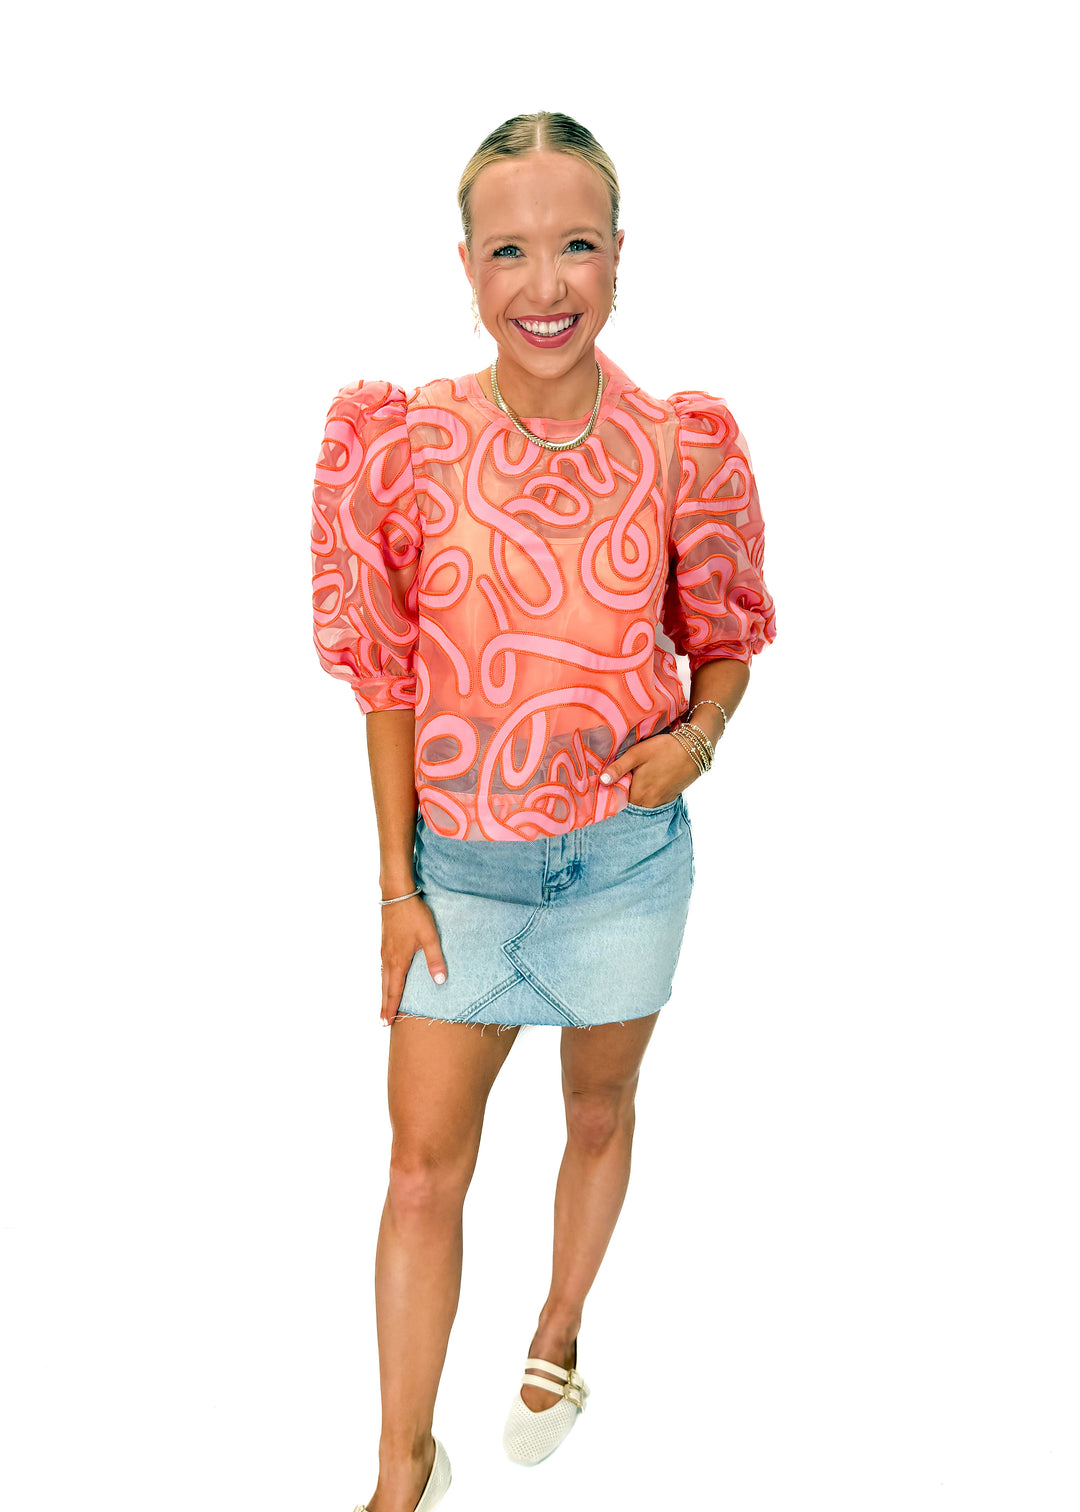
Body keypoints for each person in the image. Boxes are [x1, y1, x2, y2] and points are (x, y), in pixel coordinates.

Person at [310, 110, 777, 1512]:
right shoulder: (404, 445)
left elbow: (726, 635)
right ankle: (402, 1466)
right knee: (418, 1173)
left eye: (576, 244)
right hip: (461, 873)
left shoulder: (680, 444)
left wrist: (696, 741)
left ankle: (559, 1331)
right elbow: (386, 677)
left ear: (620, 256)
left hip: (625, 864)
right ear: (466, 266)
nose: (546, 283)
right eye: (509, 251)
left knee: (599, 1105)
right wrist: (397, 889)